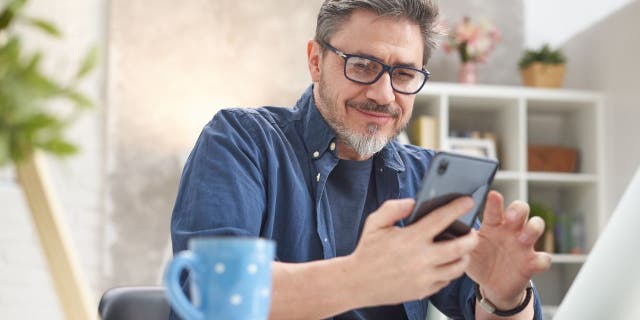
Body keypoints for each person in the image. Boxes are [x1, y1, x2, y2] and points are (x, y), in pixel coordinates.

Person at [171, 0, 552, 319]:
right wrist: (359, 278)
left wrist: (506, 296)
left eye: (403, 74)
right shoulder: (242, 141)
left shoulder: (425, 176)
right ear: (316, 61)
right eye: (362, 65)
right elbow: (212, 295)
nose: (383, 94)